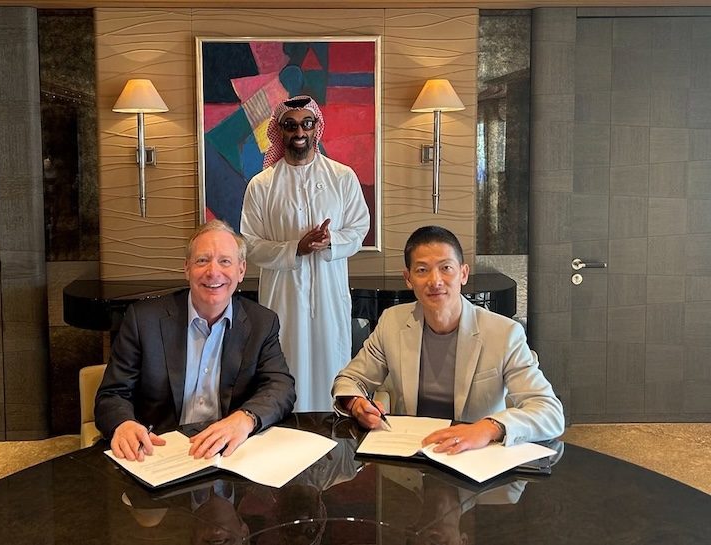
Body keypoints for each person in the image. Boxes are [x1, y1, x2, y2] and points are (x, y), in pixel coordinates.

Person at [332, 225, 564, 453]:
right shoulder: (392, 322)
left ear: (463, 273)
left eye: (446, 268)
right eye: (422, 270)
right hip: (412, 454)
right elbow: (350, 379)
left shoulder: (504, 333)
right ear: (408, 278)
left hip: (474, 458)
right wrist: (356, 403)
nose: (435, 281)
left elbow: (549, 412)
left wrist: (488, 428)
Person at [95, 220, 296, 462]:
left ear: (241, 270)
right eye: (202, 260)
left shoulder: (262, 323)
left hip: (228, 455)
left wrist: (245, 418)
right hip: (159, 453)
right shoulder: (144, 320)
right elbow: (112, 394)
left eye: (225, 261)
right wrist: (123, 423)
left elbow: (280, 387)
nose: (213, 272)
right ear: (187, 268)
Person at [240, 95, 370, 412]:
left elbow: (359, 227)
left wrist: (331, 242)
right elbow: (250, 244)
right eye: (291, 125)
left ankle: (333, 440)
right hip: (283, 298)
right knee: (285, 364)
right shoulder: (261, 185)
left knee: (332, 366)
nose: (299, 131)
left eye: (306, 124)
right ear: (280, 131)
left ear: (316, 128)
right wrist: (294, 249)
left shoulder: (342, 177)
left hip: (329, 297)